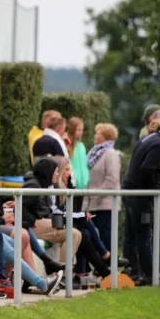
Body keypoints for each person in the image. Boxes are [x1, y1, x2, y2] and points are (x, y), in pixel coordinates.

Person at [0, 156, 64, 296]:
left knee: (17, 242)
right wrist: (2, 219)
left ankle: (22, 279)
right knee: (17, 240)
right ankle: (37, 282)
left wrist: (6, 210)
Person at [123, 123, 160, 286]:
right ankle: (150, 275)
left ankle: (134, 272)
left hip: (131, 191)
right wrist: (157, 186)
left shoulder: (149, 139)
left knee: (132, 236)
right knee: (144, 235)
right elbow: (148, 168)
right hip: (142, 195)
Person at [53, 157, 115, 285]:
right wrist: (81, 215)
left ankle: (84, 273)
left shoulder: (67, 185)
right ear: (58, 171)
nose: (70, 173)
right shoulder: (54, 188)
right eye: (67, 170)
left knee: (84, 232)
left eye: (70, 170)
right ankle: (104, 259)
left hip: (65, 221)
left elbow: (71, 210)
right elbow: (58, 213)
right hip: (56, 223)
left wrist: (71, 186)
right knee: (83, 224)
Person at [23, 157, 82, 264]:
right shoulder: (33, 185)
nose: (57, 174)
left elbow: (45, 210)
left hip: (43, 223)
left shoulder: (43, 185)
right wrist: (32, 221)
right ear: (48, 172)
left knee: (75, 234)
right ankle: (60, 271)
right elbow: (19, 208)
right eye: (56, 171)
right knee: (67, 226)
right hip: (32, 226)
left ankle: (62, 271)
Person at [82, 123, 121, 251]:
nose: (95, 135)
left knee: (106, 236)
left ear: (105, 136)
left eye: (97, 133)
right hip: (92, 203)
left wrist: (96, 194)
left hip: (106, 204)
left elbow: (112, 178)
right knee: (92, 235)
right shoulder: (93, 153)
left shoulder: (110, 154)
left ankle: (110, 266)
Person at [65, 117, 89, 190]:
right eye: (78, 130)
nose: (81, 132)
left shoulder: (81, 146)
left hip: (83, 187)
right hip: (71, 186)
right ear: (72, 129)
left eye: (82, 130)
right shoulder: (66, 144)